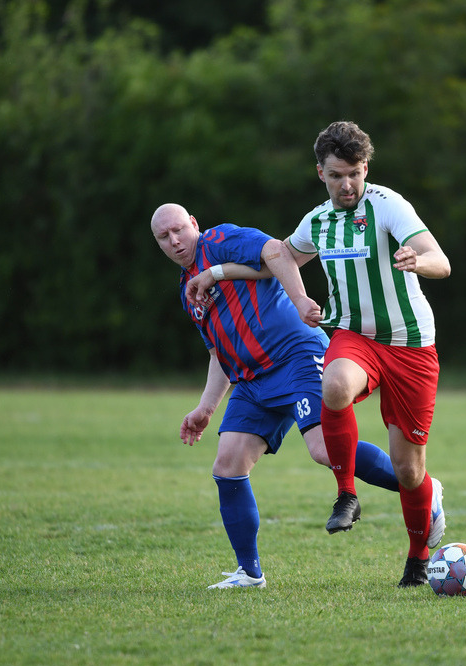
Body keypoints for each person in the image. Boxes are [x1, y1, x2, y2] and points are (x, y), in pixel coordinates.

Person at [190, 121, 450, 587]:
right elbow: (279, 258)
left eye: (354, 173)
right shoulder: (318, 222)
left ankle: (417, 556)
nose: (346, 184)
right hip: (355, 338)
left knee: (410, 473)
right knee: (334, 384)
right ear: (321, 173)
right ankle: (346, 494)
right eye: (336, 175)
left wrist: (418, 262)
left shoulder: (388, 206)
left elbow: (440, 260)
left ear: (365, 168)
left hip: (411, 346)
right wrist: (219, 273)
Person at [150, 202, 402, 590]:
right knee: (228, 464)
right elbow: (219, 352)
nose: (175, 240)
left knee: (322, 450)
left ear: (194, 224)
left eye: (179, 229)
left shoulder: (219, 240)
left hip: (296, 356)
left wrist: (301, 299)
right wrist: (206, 406)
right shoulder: (189, 292)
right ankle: (249, 573)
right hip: (252, 381)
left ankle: (419, 486)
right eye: (164, 237)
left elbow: (275, 251)